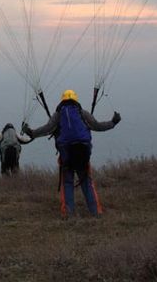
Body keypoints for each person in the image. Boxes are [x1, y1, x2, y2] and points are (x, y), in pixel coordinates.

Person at [22, 89, 121, 217]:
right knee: (86, 181)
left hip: (66, 153)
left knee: (67, 182)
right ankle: (96, 212)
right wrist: (113, 122)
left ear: (62, 101)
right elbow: (97, 126)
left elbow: (47, 129)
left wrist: (32, 133)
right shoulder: (82, 113)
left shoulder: (58, 115)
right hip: (83, 152)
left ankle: (68, 213)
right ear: (75, 100)